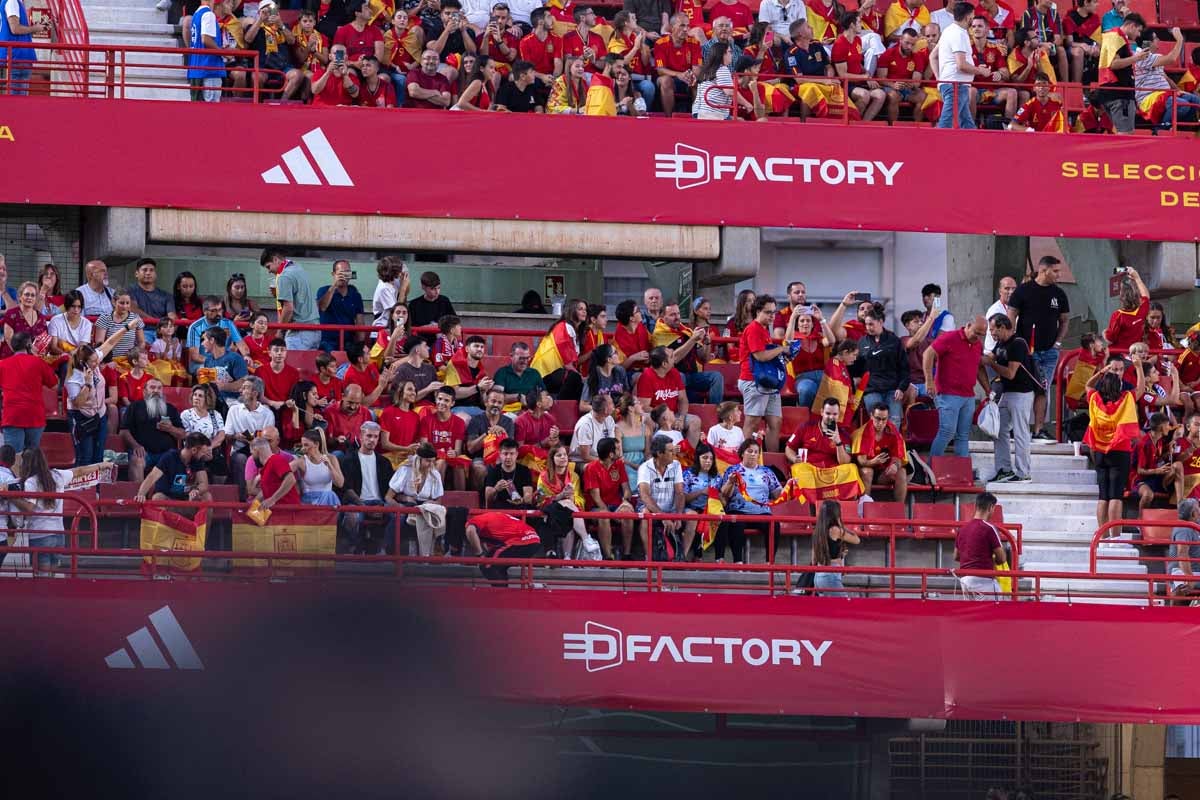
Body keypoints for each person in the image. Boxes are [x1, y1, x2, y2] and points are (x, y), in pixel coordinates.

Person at [1009, 255, 1069, 443]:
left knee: (1042, 388)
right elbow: (1011, 315)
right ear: (1044, 270)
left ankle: (1039, 430)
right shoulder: (1023, 291)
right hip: (1027, 351)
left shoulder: (1059, 294)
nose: (1059, 275)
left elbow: (1064, 320)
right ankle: (1018, 428)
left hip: (1050, 352)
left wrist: (1058, 343)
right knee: (1025, 390)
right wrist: (1014, 342)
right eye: (1056, 271)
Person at [17, 449, 106, 574]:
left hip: (40, 534)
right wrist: (102, 465)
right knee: (53, 578)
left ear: (26, 464)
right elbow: (80, 471)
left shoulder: (31, 482)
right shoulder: (57, 475)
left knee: (41, 579)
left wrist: (11, 497)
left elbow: (29, 508)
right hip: (59, 534)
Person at [1083, 359, 1145, 529]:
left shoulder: (1095, 399)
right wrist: (1139, 368)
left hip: (1100, 452)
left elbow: (1088, 385)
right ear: (1118, 386)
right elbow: (1140, 389)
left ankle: (1102, 536)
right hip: (1120, 450)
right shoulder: (1126, 398)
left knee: (1103, 496)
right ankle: (1114, 538)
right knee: (1116, 495)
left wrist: (1101, 372)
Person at [982, 314, 1040, 483]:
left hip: (1022, 393)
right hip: (1007, 393)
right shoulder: (1000, 343)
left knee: (1021, 432)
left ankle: (1023, 472)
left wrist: (990, 364)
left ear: (1002, 327)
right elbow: (990, 356)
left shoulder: (1017, 344)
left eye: (993, 329)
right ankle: (1004, 469)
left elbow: (1010, 373)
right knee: (999, 430)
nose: (991, 333)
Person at [924, 316, 987, 458]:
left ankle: (963, 471)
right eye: (976, 333)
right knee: (947, 431)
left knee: (963, 435)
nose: (978, 337)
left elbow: (978, 368)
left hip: (968, 396)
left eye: (982, 335)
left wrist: (988, 390)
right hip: (947, 393)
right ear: (968, 325)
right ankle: (932, 467)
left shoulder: (977, 344)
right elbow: (928, 354)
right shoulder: (950, 337)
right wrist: (929, 381)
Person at [719, 439, 782, 564]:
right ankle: (738, 562)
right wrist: (731, 482)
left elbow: (777, 495)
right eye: (750, 451)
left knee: (774, 525)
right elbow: (724, 494)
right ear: (742, 453)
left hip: (762, 512)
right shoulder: (732, 470)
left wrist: (791, 486)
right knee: (736, 524)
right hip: (739, 510)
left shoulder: (767, 472)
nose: (753, 454)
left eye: (756, 452)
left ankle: (769, 563)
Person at [738, 294, 789, 453]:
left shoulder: (764, 329)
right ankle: (743, 461)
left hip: (767, 382)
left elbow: (766, 357)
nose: (772, 316)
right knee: (752, 422)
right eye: (768, 312)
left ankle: (772, 459)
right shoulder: (754, 329)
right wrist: (781, 349)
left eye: (774, 312)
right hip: (754, 381)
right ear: (758, 311)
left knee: (775, 422)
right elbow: (759, 355)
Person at [339, 421, 397, 555]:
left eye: (376, 437)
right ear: (361, 436)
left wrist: (384, 504)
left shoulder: (384, 462)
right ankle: (355, 545)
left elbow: (391, 488)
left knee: (397, 515)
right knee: (352, 516)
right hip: (358, 502)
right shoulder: (348, 460)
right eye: (369, 436)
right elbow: (347, 490)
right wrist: (364, 506)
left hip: (381, 502)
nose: (372, 440)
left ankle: (384, 547)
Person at [850, 303, 909, 425]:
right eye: (866, 324)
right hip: (871, 389)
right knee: (877, 421)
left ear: (881, 322)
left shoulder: (894, 341)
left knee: (894, 421)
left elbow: (904, 368)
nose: (868, 327)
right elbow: (855, 367)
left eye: (871, 324)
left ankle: (893, 444)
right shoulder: (862, 342)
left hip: (893, 388)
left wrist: (901, 388)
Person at [932, 1, 989, 128]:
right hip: (956, 85)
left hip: (954, 84)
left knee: (966, 123)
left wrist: (939, 79)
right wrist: (981, 71)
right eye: (973, 16)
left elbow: (933, 56)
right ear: (968, 16)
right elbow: (961, 65)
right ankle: (935, 146)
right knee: (946, 123)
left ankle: (973, 146)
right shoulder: (959, 34)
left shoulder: (948, 30)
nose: (973, 19)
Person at [385, 443, 446, 557]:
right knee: (400, 519)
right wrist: (401, 507)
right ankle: (392, 553)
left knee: (434, 517)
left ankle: (432, 552)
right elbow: (388, 497)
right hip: (406, 507)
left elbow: (439, 501)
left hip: (425, 509)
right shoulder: (405, 470)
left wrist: (430, 503)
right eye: (428, 461)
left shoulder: (435, 474)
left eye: (433, 461)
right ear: (419, 459)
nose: (431, 464)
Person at [121, 378, 186, 486]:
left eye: (159, 388)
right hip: (143, 452)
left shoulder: (170, 409)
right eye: (152, 387)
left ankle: (175, 497)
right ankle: (140, 498)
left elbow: (183, 434)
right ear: (144, 391)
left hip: (167, 453)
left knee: (179, 459)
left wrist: (171, 429)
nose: (156, 390)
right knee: (137, 460)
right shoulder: (135, 407)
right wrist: (135, 446)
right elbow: (124, 431)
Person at [0, 331, 57, 450]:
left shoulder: (2, 364)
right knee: (31, 458)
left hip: (12, 416)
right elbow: (54, 385)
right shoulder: (38, 362)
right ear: (29, 345)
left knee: (13, 458)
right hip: (34, 415)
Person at [583, 436, 634, 560]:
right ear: (611, 454)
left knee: (627, 512)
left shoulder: (619, 465)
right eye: (616, 449)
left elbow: (626, 488)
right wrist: (612, 514)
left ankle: (627, 554)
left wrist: (625, 501)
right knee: (604, 516)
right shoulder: (591, 468)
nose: (619, 452)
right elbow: (596, 497)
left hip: (616, 505)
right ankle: (608, 556)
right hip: (597, 507)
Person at [1095, 12, 1147, 133]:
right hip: (1119, 94)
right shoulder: (1116, 37)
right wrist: (1136, 58)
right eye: (1138, 30)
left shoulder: (1113, 36)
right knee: (1126, 134)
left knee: (1121, 133)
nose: (1138, 35)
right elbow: (1113, 64)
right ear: (1132, 26)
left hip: (1112, 92)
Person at [224, 376, 277, 495]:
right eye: (241, 387)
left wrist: (255, 441)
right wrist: (236, 436)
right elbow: (227, 435)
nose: (240, 391)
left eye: (245, 388)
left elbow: (270, 439)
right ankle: (243, 499)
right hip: (240, 450)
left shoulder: (267, 414)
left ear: (255, 393)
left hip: (261, 451)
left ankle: (266, 496)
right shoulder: (234, 410)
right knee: (240, 459)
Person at [536, 443, 589, 559]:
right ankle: (586, 538)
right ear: (552, 459)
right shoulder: (544, 476)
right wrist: (561, 496)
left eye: (564, 455)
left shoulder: (574, 476)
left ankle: (567, 558)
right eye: (559, 455)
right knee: (566, 508)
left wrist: (572, 498)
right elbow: (541, 500)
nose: (563, 458)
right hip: (549, 510)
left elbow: (580, 499)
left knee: (568, 513)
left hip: (568, 511)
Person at [261, 247, 320, 351]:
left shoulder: (284, 276)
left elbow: (288, 308)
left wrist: (280, 330)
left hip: (299, 332)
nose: (269, 271)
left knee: (292, 366)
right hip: (315, 330)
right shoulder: (298, 268)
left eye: (268, 267)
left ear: (275, 259)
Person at [637, 434, 685, 560]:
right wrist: (662, 516)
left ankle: (680, 556)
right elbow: (645, 496)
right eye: (670, 451)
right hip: (652, 508)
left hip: (671, 509)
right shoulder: (644, 468)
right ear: (659, 453)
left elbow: (680, 493)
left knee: (692, 517)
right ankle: (649, 557)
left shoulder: (676, 465)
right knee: (645, 514)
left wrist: (679, 516)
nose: (673, 453)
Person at [133, 432, 213, 505]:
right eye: (203, 452)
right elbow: (152, 477)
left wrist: (197, 490)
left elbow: (204, 483)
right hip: (169, 499)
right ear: (194, 450)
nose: (205, 455)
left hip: (186, 499)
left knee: (207, 496)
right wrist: (141, 494)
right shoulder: (169, 457)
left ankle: (204, 522)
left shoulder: (197, 460)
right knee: (158, 498)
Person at [852, 402, 909, 503]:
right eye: (878, 418)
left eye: (884, 419)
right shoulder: (862, 434)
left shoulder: (893, 432)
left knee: (902, 472)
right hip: (864, 472)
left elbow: (898, 457)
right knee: (868, 471)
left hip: (883, 473)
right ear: (871, 416)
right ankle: (864, 508)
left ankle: (899, 511)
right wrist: (874, 461)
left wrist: (895, 465)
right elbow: (861, 461)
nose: (881, 423)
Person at [954, 491, 1008, 597]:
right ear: (991, 507)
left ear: (976, 506)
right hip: (984, 580)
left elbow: (956, 556)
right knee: (996, 610)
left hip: (965, 580)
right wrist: (991, 559)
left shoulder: (962, 529)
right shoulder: (990, 528)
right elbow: (1001, 558)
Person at [465, 387, 515, 487]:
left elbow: (511, 449)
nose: (496, 405)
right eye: (493, 401)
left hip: (501, 459)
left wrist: (503, 433)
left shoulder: (508, 422)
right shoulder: (476, 420)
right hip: (480, 459)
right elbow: (470, 448)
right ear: (486, 402)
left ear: (503, 405)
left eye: (500, 402)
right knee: (479, 469)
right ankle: (480, 501)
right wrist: (487, 434)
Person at [420, 386, 468, 489]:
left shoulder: (459, 422)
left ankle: (461, 498)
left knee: (458, 463)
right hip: (432, 457)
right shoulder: (426, 420)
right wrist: (438, 453)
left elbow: (458, 450)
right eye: (440, 399)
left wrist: (454, 452)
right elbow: (424, 447)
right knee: (441, 462)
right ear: (436, 399)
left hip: (450, 458)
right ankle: (437, 497)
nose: (441, 402)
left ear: (452, 403)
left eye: (446, 400)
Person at [186, 296, 248, 375]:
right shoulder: (195, 327)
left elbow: (242, 345)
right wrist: (217, 363)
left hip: (226, 362)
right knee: (213, 372)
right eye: (214, 311)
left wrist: (246, 356)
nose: (218, 313)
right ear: (205, 311)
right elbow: (195, 356)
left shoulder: (228, 324)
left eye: (220, 310)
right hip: (202, 363)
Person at [811, 499, 861, 596]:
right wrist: (840, 524)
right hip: (830, 576)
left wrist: (839, 553)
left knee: (828, 609)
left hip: (818, 576)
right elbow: (856, 539)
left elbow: (813, 560)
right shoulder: (835, 530)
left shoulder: (817, 531)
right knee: (844, 606)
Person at [316, 260, 364, 353]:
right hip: (327, 341)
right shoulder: (323, 290)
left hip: (348, 341)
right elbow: (322, 307)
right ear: (333, 274)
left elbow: (360, 321)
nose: (343, 276)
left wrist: (360, 343)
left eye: (346, 272)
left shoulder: (355, 295)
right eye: (341, 273)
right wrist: (334, 286)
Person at [291, 429, 344, 507]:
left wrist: (330, 466)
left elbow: (340, 484)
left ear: (316, 444)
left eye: (306, 445)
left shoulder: (331, 458)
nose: (303, 448)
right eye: (302, 445)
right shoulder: (301, 461)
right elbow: (283, 470)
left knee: (329, 495)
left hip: (327, 500)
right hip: (309, 502)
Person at [248, 436, 301, 511]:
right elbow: (266, 492)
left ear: (256, 450)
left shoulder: (276, 459)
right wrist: (252, 507)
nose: (252, 457)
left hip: (290, 513)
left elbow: (291, 479)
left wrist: (273, 499)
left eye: (252, 453)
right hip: (279, 513)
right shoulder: (265, 468)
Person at [1134, 412, 1175, 510]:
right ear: (1161, 427)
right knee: (1148, 495)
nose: (1169, 428)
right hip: (1140, 479)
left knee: (1175, 469)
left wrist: (1168, 452)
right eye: (1167, 425)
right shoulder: (1144, 444)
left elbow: (1157, 458)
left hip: (1154, 477)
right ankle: (1140, 522)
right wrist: (1158, 470)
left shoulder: (1159, 440)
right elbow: (1140, 470)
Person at [1105, 265, 1150, 351]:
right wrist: (1137, 278)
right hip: (1134, 354)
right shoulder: (1141, 311)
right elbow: (1146, 296)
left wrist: (1105, 333)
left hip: (1118, 356)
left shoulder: (1118, 315)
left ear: (1121, 297)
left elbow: (1110, 339)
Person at [483, 437, 536, 510]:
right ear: (500, 454)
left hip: (519, 507)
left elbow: (528, 497)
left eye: (512, 454)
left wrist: (522, 500)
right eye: (505, 454)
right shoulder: (493, 471)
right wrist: (496, 489)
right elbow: (488, 500)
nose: (508, 457)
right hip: (499, 508)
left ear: (516, 454)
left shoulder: (524, 470)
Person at [493, 341, 545, 414]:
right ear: (511, 356)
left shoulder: (534, 373)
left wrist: (547, 400)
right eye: (521, 358)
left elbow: (543, 393)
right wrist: (517, 397)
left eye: (527, 358)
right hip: (509, 411)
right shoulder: (502, 373)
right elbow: (496, 397)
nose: (525, 361)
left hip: (532, 410)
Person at [200, 327, 250, 402]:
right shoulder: (208, 360)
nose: (202, 343)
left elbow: (244, 383)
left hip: (235, 402)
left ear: (212, 340)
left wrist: (224, 386)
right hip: (215, 402)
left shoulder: (235, 358)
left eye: (204, 339)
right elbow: (206, 385)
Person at [407, 271, 456, 340]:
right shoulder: (414, 304)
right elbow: (409, 328)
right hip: (420, 343)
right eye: (433, 289)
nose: (437, 292)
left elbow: (455, 322)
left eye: (438, 288)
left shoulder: (444, 301)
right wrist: (426, 328)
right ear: (423, 287)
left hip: (442, 342)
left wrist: (439, 327)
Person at [127, 258, 174, 328]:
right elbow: (133, 310)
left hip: (161, 333)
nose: (148, 273)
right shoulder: (129, 291)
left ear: (155, 274)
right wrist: (158, 323)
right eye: (144, 270)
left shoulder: (166, 295)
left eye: (151, 270)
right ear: (136, 274)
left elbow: (172, 317)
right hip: (139, 332)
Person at [570, 391, 615, 462]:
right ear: (605, 410)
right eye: (611, 403)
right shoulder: (585, 424)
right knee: (599, 470)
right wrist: (605, 462)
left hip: (602, 459)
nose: (613, 405)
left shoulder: (609, 419)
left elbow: (611, 445)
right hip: (581, 462)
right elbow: (585, 456)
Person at [180, 384, 225, 453]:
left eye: (200, 396)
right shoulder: (186, 414)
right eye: (195, 395)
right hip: (193, 452)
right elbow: (186, 435)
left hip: (212, 451)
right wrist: (201, 449)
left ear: (207, 399)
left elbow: (221, 435)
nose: (196, 398)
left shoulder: (215, 414)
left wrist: (209, 447)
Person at [1169, 497, 1200, 598]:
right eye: (1198, 508)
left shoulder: (1196, 524)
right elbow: (1182, 553)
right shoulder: (1184, 529)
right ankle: (1173, 612)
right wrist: (1189, 577)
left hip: (1196, 570)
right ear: (1193, 513)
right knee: (1182, 587)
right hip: (1182, 570)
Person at [48, 290, 93, 356]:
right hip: (59, 357)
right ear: (67, 306)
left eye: (79, 307)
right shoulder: (55, 320)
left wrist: (71, 356)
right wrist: (65, 355)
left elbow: (82, 348)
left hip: (78, 358)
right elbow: (53, 347)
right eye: (73, 306)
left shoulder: (87, 324)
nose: (76, 310)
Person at [371, 257, 410, 329]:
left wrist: (404, 283)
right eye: (399, 269)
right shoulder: (384, 288)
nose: (401, 271)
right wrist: (403, 288)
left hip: (393, 326)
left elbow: (405, 296)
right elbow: (397, 310)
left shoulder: (394, 282)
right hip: (382, 328)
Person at [983, 277, 1018, 352]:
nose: (1011, 292)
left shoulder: (1016, 307)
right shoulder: (995, 310)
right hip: (994, 354)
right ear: (1000, 291)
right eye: (1007, 288)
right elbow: (997, 337)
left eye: (1014, 289)